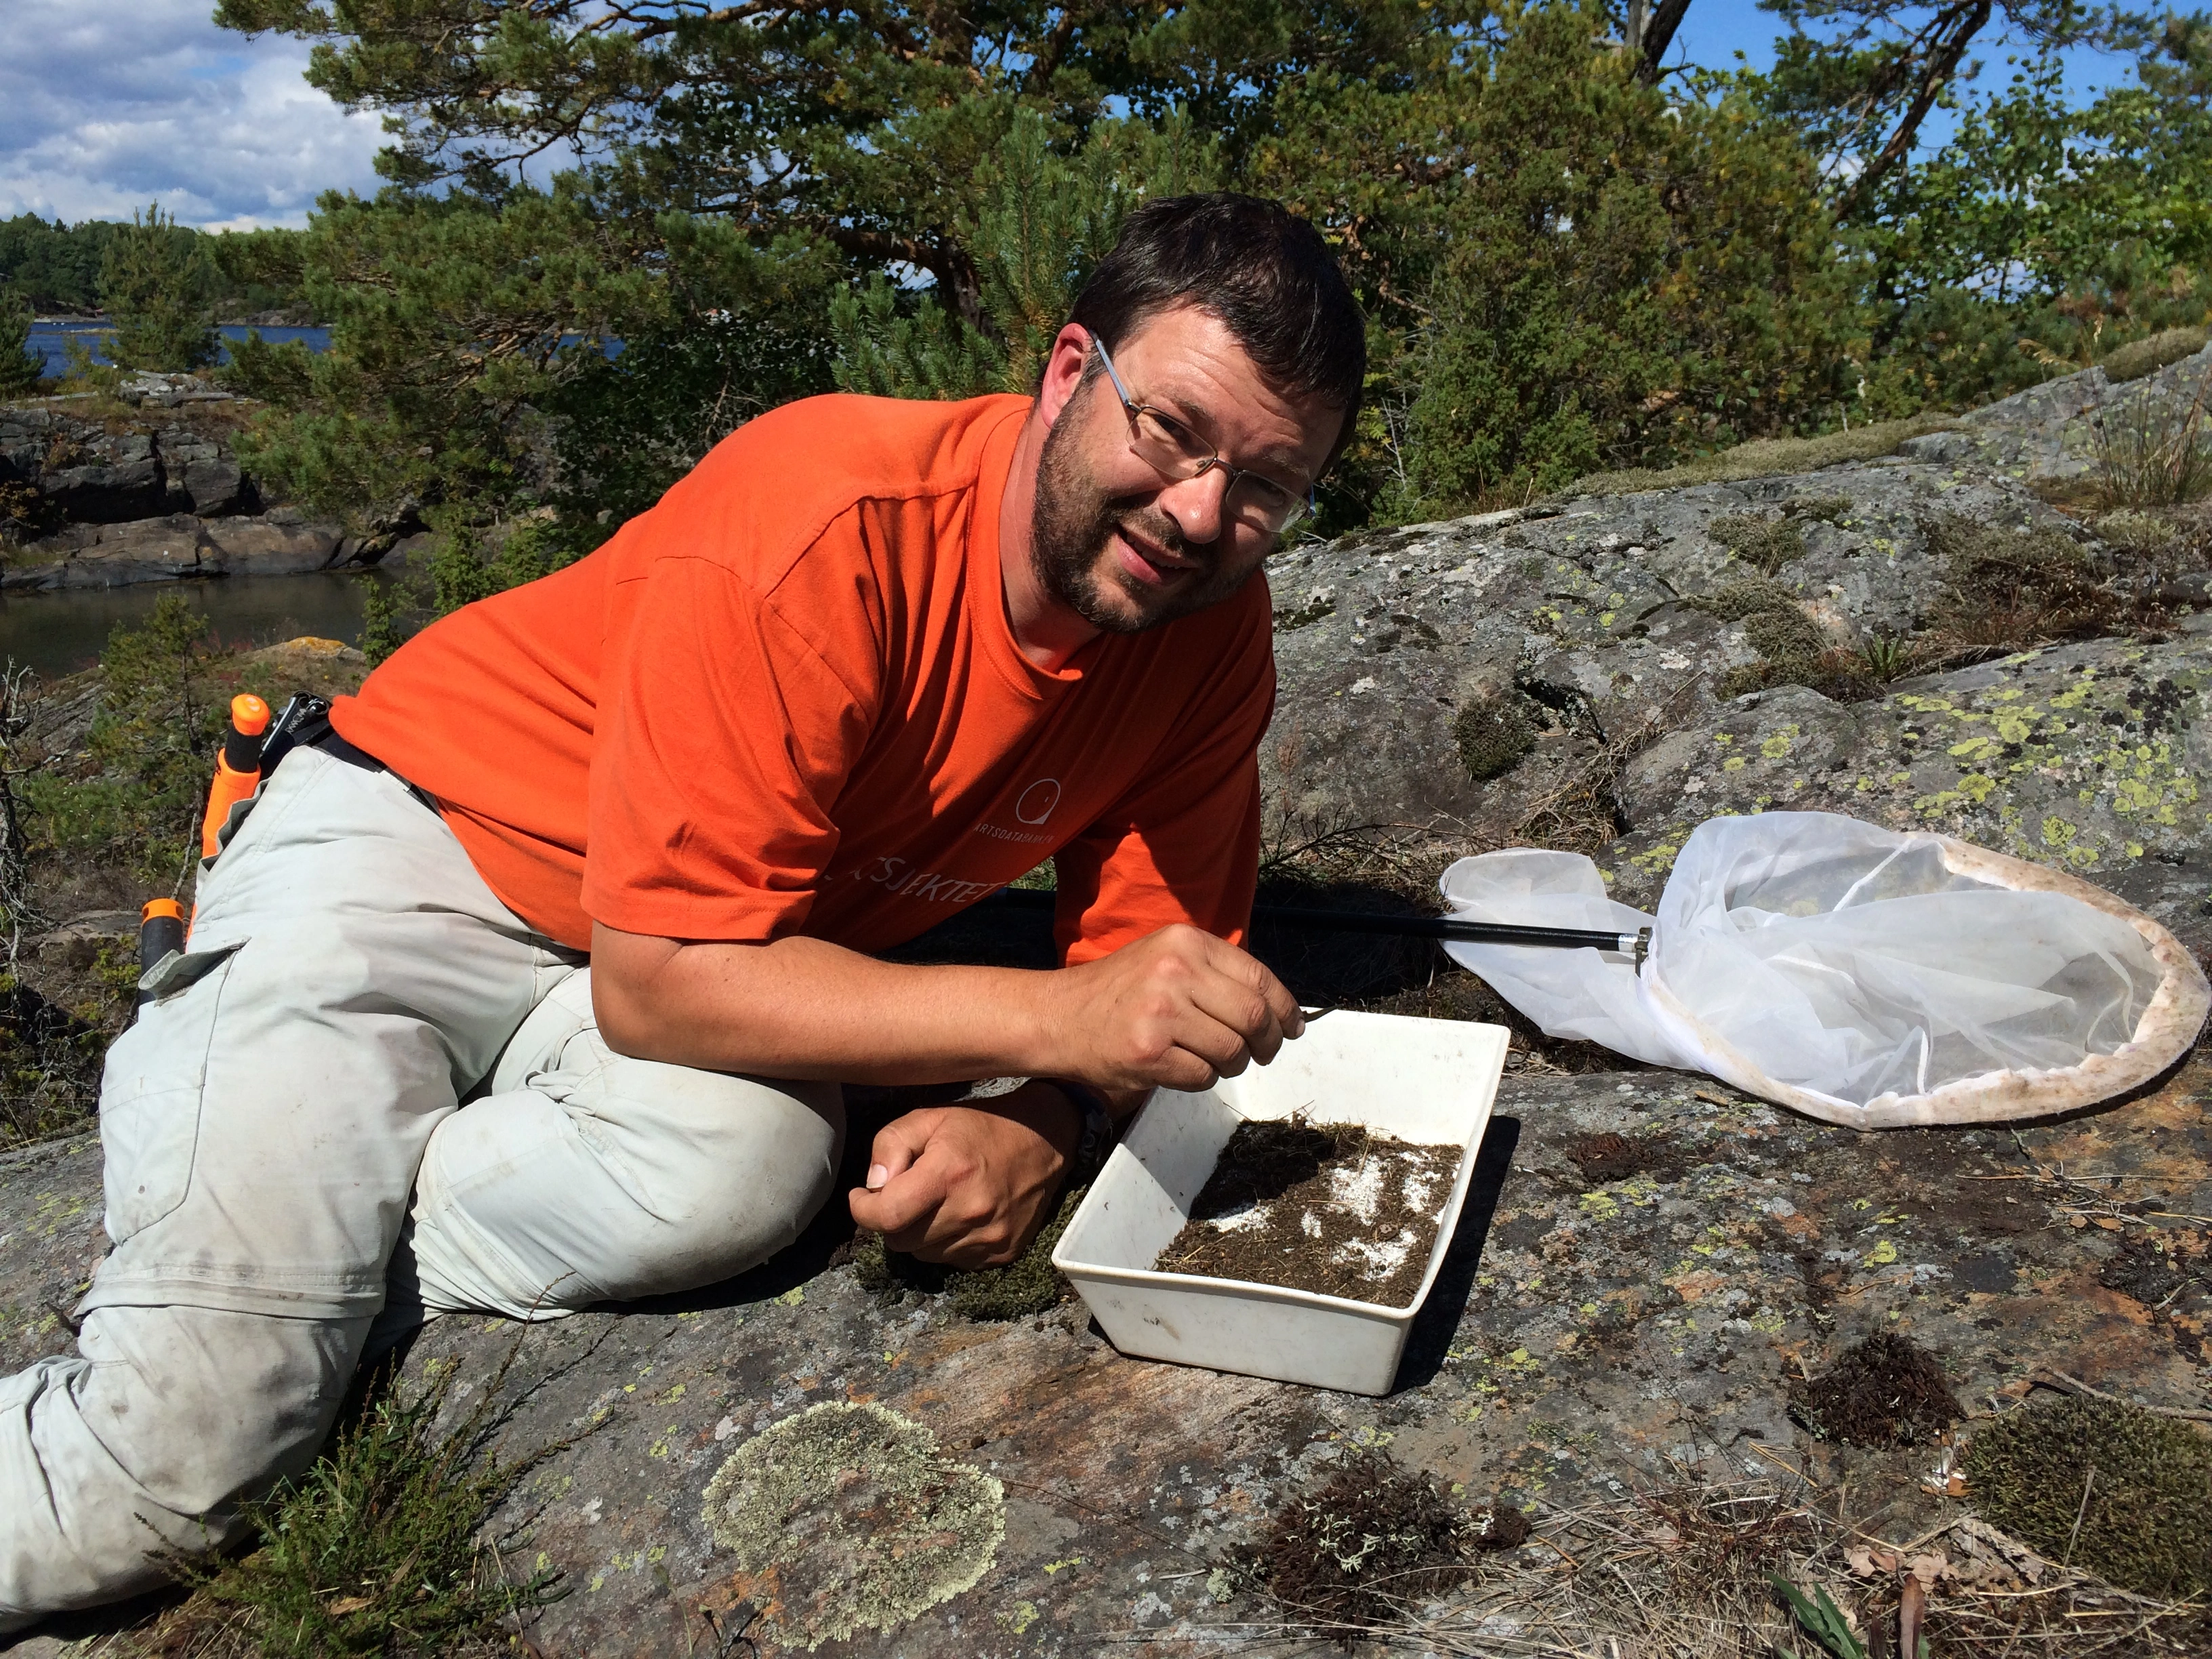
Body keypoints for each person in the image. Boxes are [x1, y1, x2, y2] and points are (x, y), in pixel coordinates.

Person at [0, 191, 1366, 1630]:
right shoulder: (833, 518)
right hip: (409, 857)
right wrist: (1056, 1027)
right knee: (168, 1474)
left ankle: (280, 1263)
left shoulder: (1210, 632)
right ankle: (227, 1306)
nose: (1206, 513)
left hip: (645, 952)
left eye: (1271, 486)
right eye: (1173, 430)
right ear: (1070, 370)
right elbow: (675, 987)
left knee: (754, 1176)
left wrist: (1042, 1118)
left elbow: (1145, 979)